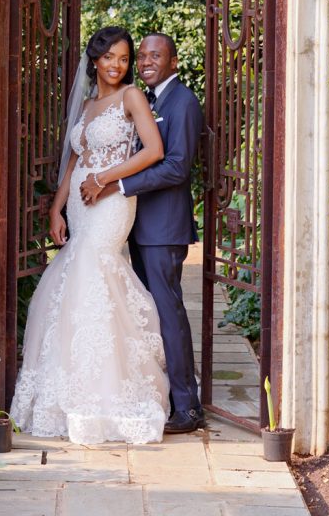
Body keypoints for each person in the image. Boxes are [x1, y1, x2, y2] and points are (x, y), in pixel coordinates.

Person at [10, 26, 170, 445]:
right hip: (80, 201)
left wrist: (103, 178)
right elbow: (73, 162)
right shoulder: (86, 104)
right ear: (94, 60)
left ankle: (107, 394)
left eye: (123, 58)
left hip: (112, 199)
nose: (117, 65)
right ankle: (69, 388)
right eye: (109, 57)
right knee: (74, 282)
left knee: (94, 272)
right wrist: (55, 207)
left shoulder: (131, 97)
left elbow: (153, 151)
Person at [80, 33, 204, 434]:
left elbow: (176, 167)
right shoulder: (145, 100)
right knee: (145, 312)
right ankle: (162, 393)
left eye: (156, 55)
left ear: (174, 61)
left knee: (169, 313)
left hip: (164, 227)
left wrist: (118, 185)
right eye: (144, 56)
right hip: (135, 224)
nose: (147, 61)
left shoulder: (182, 102)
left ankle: (187, 407)